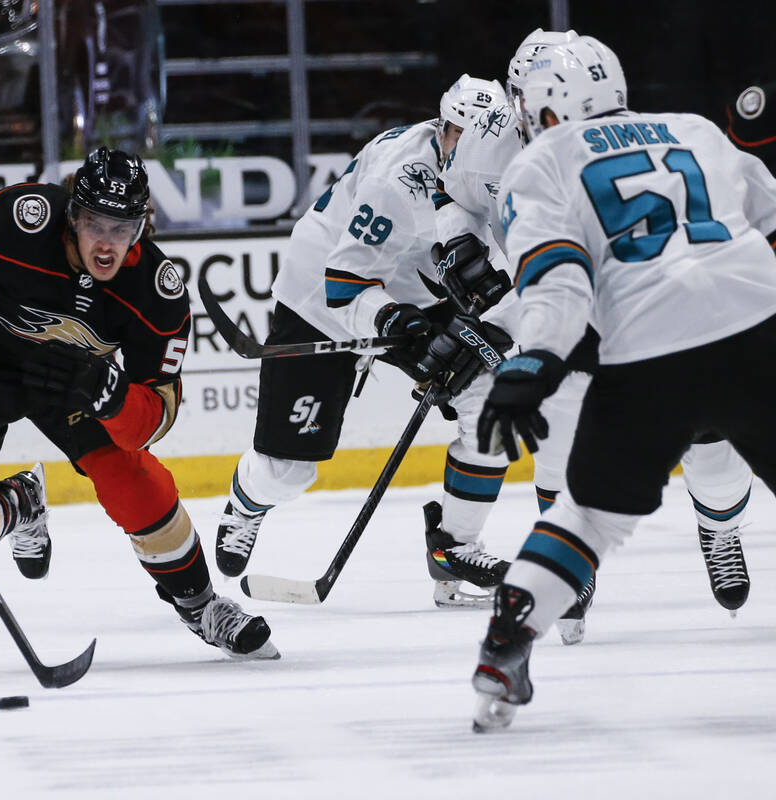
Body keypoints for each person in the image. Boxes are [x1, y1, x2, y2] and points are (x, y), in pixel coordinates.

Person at [0, 147, 278, 660]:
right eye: (93, 223)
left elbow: (156, 414)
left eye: (121, 227)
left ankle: (201, 606)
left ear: (142, 227)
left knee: (130, 479)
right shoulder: (19, 221)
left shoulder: (156, 292)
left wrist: (111, 397)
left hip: (68, 387)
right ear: (71, 216)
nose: (105, 244)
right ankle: (22, 502)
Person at [468, 36, 776, 731]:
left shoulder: (539, 162)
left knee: (590, 516)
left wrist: (532, 363)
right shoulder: (695, 131)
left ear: (548, 102)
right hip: (759, 323)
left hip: (649, 351)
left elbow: (560, 281)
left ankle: (507, 642)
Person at [213, 74, 516, 608]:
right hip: (323, 297)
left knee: (488, 401)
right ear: (445, 129)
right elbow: (344, 284)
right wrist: (395, 324)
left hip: (410, 289)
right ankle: (246, 504)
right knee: (288, 471)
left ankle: (454, 547)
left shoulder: (492, 167)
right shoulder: (401, 180)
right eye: (457, 136)